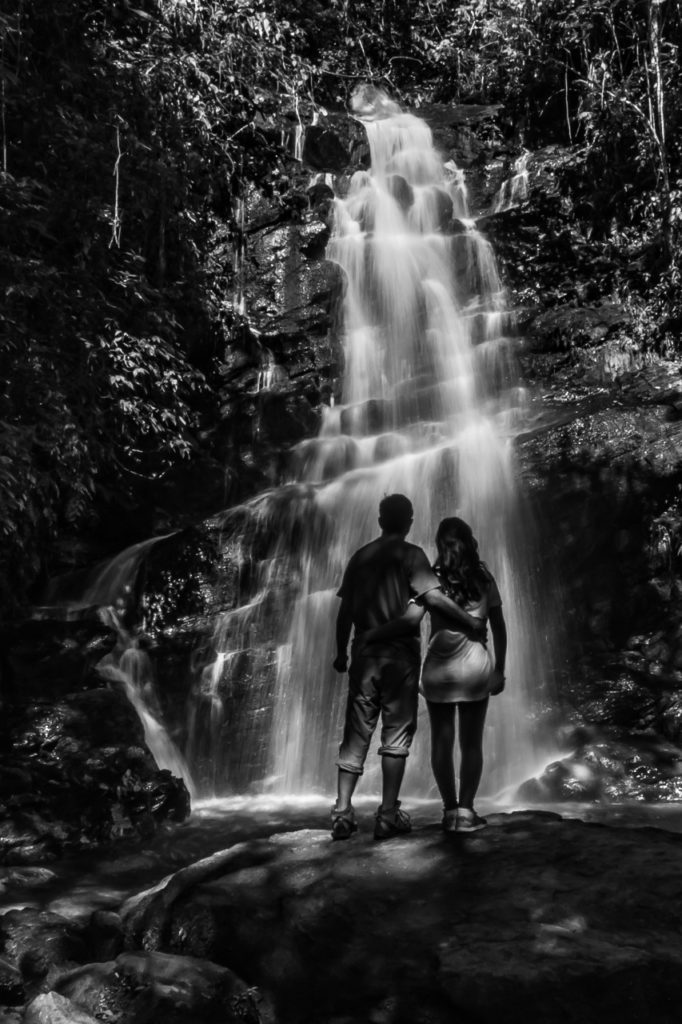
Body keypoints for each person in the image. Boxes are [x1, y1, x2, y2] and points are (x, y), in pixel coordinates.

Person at [331, 495, 486, 841]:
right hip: (399, 657)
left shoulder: (360, 557)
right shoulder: (412, 555)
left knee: (356, 730)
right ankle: (387, 814)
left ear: (380, 518)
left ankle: (342, 812)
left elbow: (344, 613)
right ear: (409, 521)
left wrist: (341, 652)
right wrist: (471, 622)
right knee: (396, 734)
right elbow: (432, 599)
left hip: (364, 657)